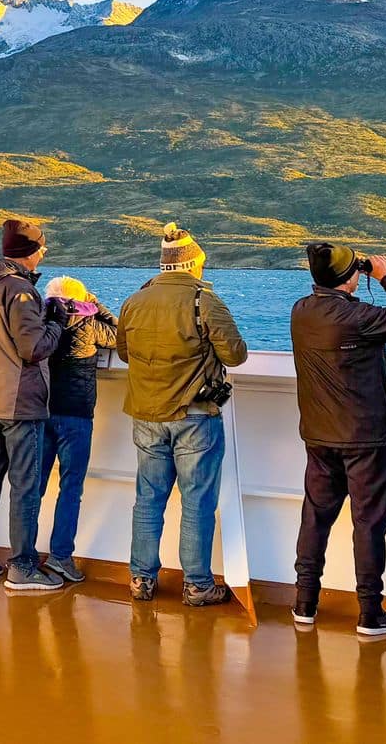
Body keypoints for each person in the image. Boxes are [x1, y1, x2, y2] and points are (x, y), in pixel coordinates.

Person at [291, 244, 386, 636]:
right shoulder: (356, 317)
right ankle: (370, 613)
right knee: (368, 523)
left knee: (315, 518)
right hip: (367, 437)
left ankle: (305, 604)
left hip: (319, 436)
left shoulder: (301, 311)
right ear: (347, 277)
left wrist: (354, 274)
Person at [116, 222, 247, 606]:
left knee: (148, 499)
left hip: (146, 414)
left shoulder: (134, 301)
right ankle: (197, 584)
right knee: (197, 502)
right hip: (193, 416)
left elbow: (124, 353)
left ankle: (141, 579)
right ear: (192, 263)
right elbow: (235, 355)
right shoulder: (204, 301)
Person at [0, 220, 65, 589]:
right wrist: (57, 323)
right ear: (28, 252)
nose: (45, 251)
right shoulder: (20, 291)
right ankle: (22, 566)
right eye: (42, 246)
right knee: (25, 484)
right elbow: (33, 348)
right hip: (20, 402)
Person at [39, 275, 118, 583]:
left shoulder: (40, 323)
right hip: (76, 415)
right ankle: (60, 557)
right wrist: (96, 304)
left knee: (33, 487)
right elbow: (122, 334)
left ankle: (25, 556)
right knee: (70, 489)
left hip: (41, 411)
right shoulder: (89, 325)